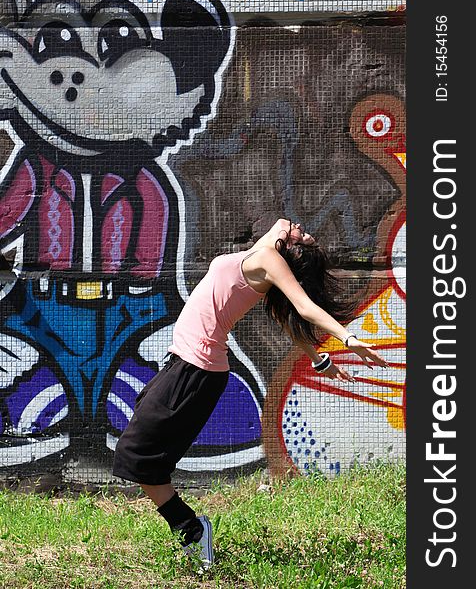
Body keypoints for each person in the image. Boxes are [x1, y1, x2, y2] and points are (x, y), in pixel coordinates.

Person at [112, 218, 389, 569]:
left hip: (195, 370)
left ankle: (193, 532)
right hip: (183, 364)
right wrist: (319, 362)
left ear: (288, 250)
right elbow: (290, 321)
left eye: (302, 236)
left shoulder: (270, 259)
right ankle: (190, 530)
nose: (300, 226)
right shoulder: (261, 253)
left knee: (138, 456)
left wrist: (345, 338)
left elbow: (303, 309)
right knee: (141, 458)